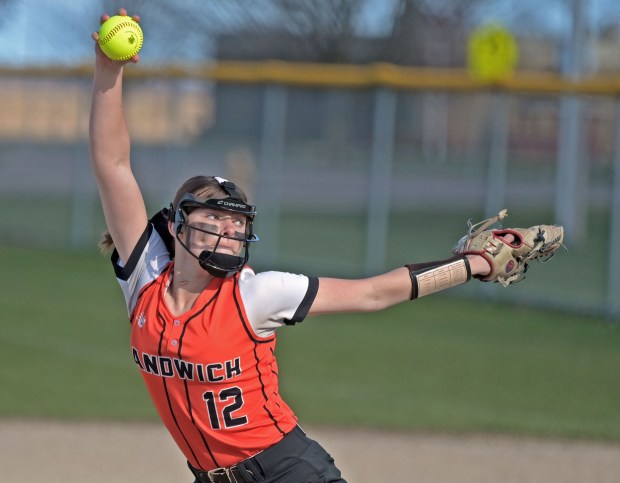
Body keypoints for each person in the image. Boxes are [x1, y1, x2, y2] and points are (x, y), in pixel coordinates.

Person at [89, 10, 503, 483]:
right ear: (179, 224)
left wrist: (468, 266)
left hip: (288, 471)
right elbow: (113, 165)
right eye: (214, 218)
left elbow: (372, 293)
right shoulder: (146, 278)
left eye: (236, 222)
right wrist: (109, 70)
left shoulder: (256, 294)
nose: (228, 230)